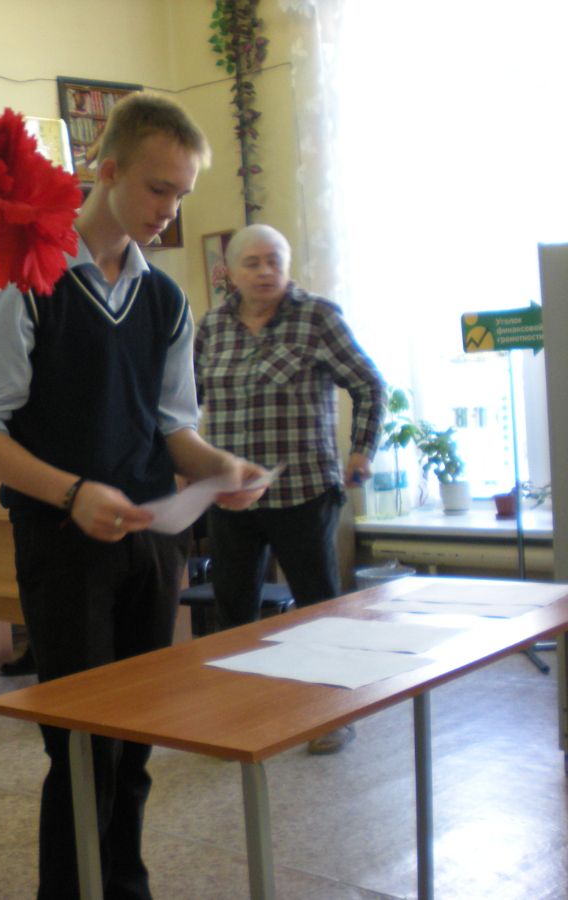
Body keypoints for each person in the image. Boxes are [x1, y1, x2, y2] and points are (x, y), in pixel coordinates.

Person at [0, 93, 266, 900]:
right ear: (108, 168)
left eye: (182, 195)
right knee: (81, 747)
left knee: (137, 741)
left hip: (153, 541)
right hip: (64, 544)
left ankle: (126, 887)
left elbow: (172, 427)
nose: (170, 211)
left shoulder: (165, 299)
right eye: (160, 189)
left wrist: (220, 469)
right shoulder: (26, 278)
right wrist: (71, 494)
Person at [194, 223, 385, 754]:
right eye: (252, 262)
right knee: (234, 611)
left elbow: (368, 383)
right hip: (232, 496)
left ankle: (331, 715)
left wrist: (362, 449)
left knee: (317, 608)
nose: (265, 271)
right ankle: (241, 715)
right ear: (229, 272)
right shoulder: (212, 327)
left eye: (274, 260)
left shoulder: (317, 318)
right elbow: (185, 401)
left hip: (303, 490)